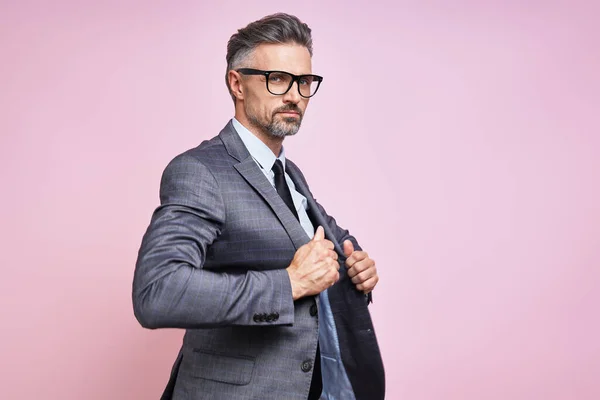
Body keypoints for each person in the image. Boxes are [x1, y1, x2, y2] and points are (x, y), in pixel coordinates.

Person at [133, 13, 385, 400]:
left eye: (304, 82)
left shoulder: (288, 173)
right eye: (278, 79)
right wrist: (289, 283)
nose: (294, 96)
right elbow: (158, 290)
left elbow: (324, 241)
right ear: (237, 83)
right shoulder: (200, 171)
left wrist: (357, 267)